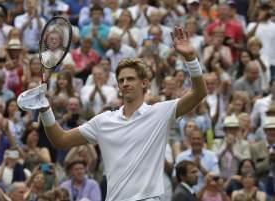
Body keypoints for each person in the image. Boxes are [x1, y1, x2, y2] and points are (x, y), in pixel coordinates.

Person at [35, 26, 207, 201]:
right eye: (121, 80)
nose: (125, 83)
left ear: (145, 83)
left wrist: (190, 58)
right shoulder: (103, 121)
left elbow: (198, 93)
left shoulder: (160, 112)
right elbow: (60, 139)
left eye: (131, 79)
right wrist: (44, 108)